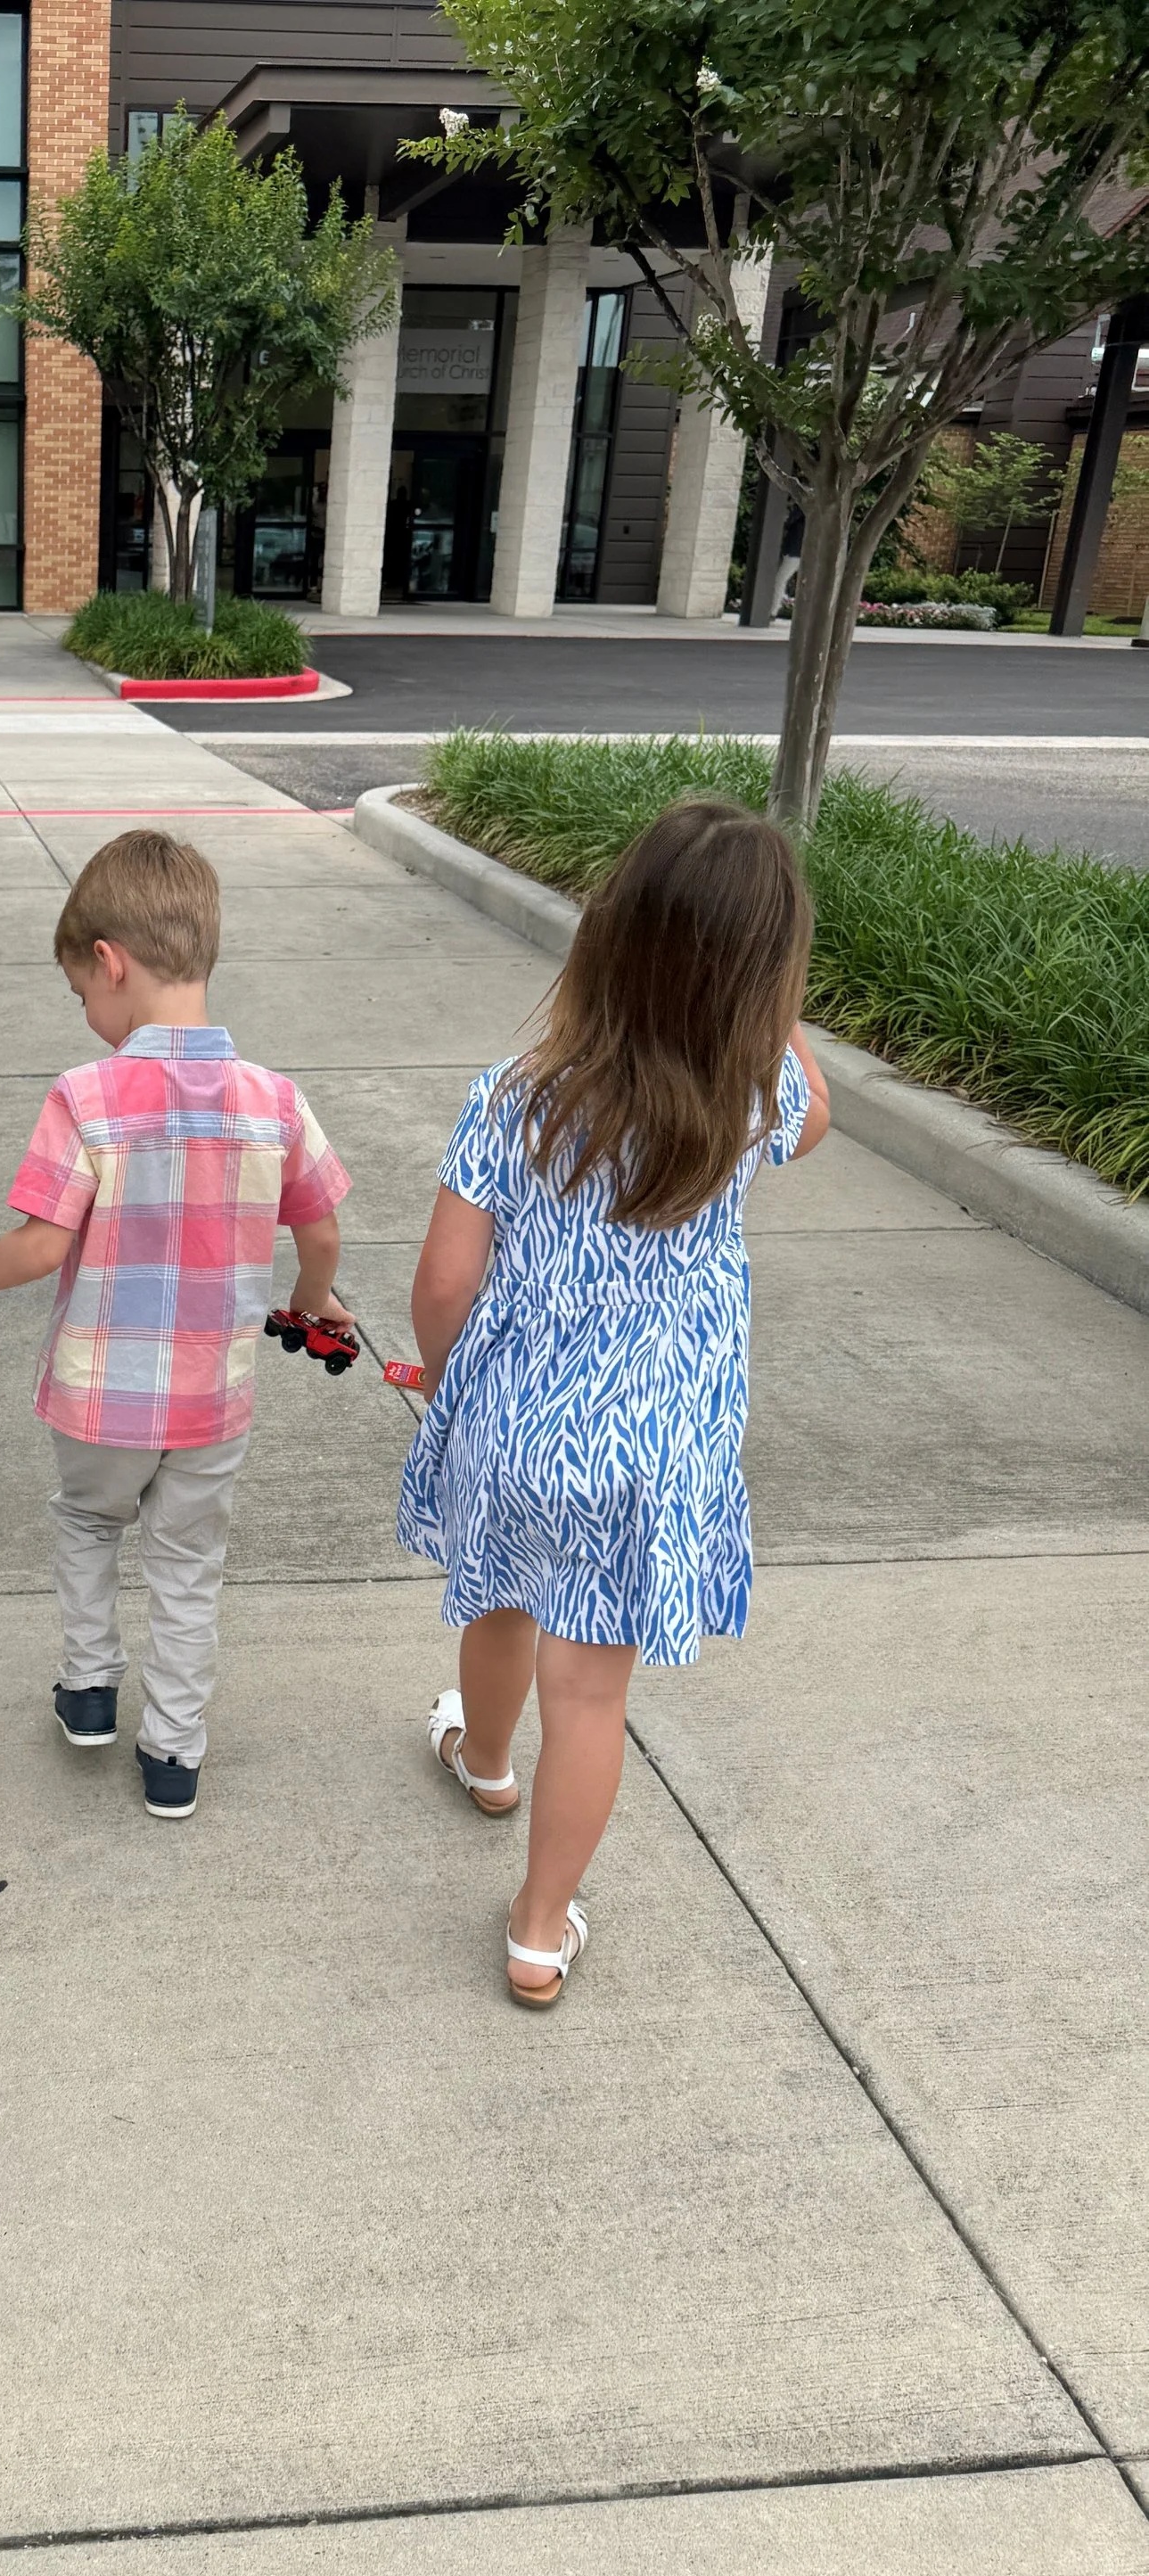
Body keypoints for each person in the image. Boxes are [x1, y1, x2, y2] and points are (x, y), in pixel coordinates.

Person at [399, 798, 830, 2006]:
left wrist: (447, 1379)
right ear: (763, 984)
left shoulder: (516, 1098)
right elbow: (820, 1106)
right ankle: (541, 1929)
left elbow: (442, 1282)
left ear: (603, 939)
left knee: (497, 1601)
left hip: (518, 1428)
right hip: (653, 1450)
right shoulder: (752, 1107)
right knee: (590, 1693)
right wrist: (769, 1019)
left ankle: (484, 1760)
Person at [0, 829, 350, 1819]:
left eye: (82, 995)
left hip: (99, 1397)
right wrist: (308, 1302)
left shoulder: (86, 1097)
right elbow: (323, 1231)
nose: (88, 1016)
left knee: (88, 1521)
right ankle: (173, 1754)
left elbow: (41, 1246)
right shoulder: (274, 1101)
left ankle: (89, 1694)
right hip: (213, 1399)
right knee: (188, 1563)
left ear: (108, 963)